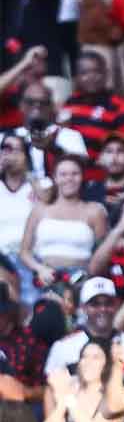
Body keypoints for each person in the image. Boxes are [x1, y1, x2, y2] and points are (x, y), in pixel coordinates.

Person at [20, 154, 108, 289]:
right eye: (63, 174)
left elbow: (103, 254)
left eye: (75, 174)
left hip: (81, 279)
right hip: (45, 277)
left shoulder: (95, 211)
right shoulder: (40, 210)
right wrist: (40, 269)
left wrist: (88, 276)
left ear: (82, 177)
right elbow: (24, 252)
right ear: (55, 178)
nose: (69, 179)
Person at [59, 51, 124, 183]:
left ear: (105, 74)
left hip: (105, 185)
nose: (92, 77)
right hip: (71, 182)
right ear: (76, 77)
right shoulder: (69, 105)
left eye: (97, 72)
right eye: (85, 73)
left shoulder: (120, 109)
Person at [44, 277, 124, 376]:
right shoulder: (64, 347)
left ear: (117, 305)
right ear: (84, 308)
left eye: (108, 303)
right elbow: (50, 389)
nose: (102, 309)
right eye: (95, 304)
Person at [39, 341, 124, 422]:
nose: (88, 362)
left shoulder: (111, 396)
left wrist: (69, 398)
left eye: (96, 357)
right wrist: (62, 402)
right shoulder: (70, 389)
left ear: (106, 365)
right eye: (84, 356)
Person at [15, 82, 88, 179]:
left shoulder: (70, 136)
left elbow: (81, 167)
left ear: (52, 106)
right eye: (30, 102)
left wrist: (53, 148)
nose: (37, 106)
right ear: (21, 105)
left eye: (43, 102)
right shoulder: (7, 137)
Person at [0, 132, 39, 308]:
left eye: (15, 150)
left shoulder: (36, 185)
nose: (9, 155)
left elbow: (49, 199)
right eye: (5, 149)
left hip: (32, 259)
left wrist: (28, 173)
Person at [0, 284, 47, 404]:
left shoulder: (29, 341)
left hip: (19, 410)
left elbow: (46, 389)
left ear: (7, 313)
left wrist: (24, 392)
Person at [0, 46, 47, 131]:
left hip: (35, 136)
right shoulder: (10, 91)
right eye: (29, 69)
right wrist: (25, 63)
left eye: (38, 75)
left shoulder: (44, 91)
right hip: (6, 135)